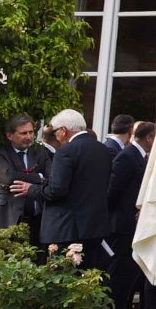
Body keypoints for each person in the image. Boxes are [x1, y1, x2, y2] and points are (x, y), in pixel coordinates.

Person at [39, 110, 114, 274]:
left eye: (56, 132)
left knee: (62, 280)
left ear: (63, 130)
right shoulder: (102, 149)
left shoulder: (66, 151)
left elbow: (56, 190)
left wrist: (33, 189)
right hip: (94, 228)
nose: (56, 137)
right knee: (87, 280)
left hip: (66, 230)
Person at [106, 121, 153, 309]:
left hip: (133, 226)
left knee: (128, 274)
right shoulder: (127, 156)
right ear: (149, 138)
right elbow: (113, 191)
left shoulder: (140, 157)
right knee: (118, 273)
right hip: (122, 225)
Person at [0, 115, 50, 236]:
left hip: (38, 219)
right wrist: (38, 177)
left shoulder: (40, 152)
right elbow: (8, 177)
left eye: (31, 132)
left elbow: (51, 179)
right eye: (23, 133)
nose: (29, 137)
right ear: (10, 136)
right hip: (8, 218)